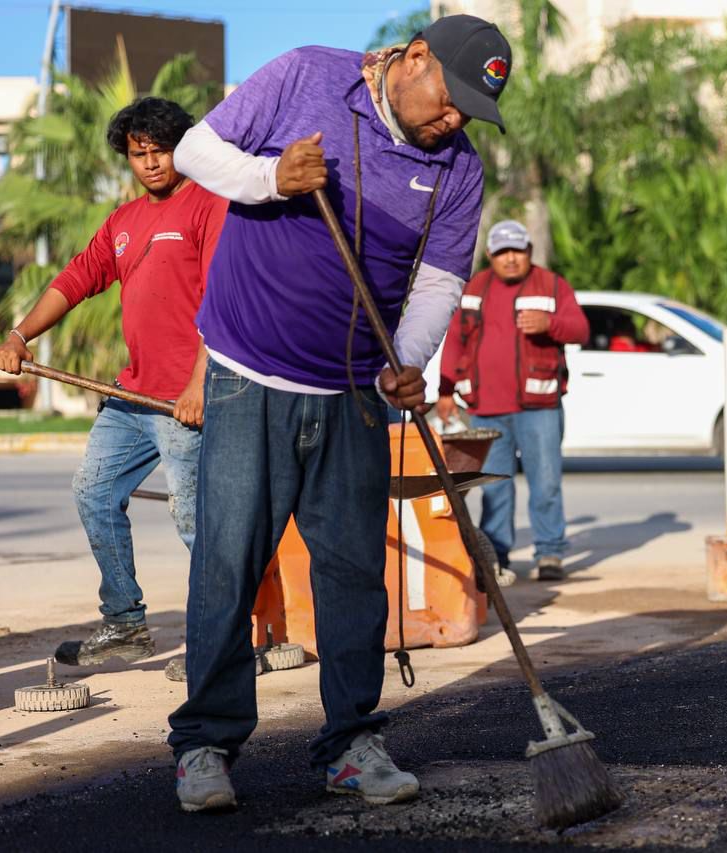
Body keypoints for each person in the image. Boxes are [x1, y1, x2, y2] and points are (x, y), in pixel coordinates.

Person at [164, 16, 510, 813]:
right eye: (449, 98)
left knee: (354, 572)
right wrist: (271, 177)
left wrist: (406, 360)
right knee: (228, 562)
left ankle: (352, 742)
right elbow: (193, 151)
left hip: (355, 389)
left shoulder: (459, 167)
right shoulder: (307, 76)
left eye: (469, 111)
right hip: (249, 373)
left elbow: (438, 282)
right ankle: (205, 744)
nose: (452, 119)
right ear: (414, 58)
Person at [0, 97, 225, 666]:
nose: (151, 163)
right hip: (132, 396)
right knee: (93, 491)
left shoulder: (209, 205)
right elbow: (74, 280)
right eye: (139, 154)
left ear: (183, 149)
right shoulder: (123, 222)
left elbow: (222, 300)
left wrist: (199, 383)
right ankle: (124, 622)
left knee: (193, 520)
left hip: (185, 398)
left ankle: (223, 642)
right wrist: (19, 336)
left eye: (161, 150)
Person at [437, 220, 589, 583]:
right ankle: (497, 556)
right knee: (494, 488)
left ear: (529, 252)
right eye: (502, 252)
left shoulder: (551, 286)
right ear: (490, 255)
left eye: (517, 251)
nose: (510, 258)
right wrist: (444, 391)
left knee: (546, 482)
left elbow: (581, 330)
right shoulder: (474, 288)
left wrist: (550, 324)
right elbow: (455, 339)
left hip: (539, 408)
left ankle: (549, 553)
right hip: (486, 409)